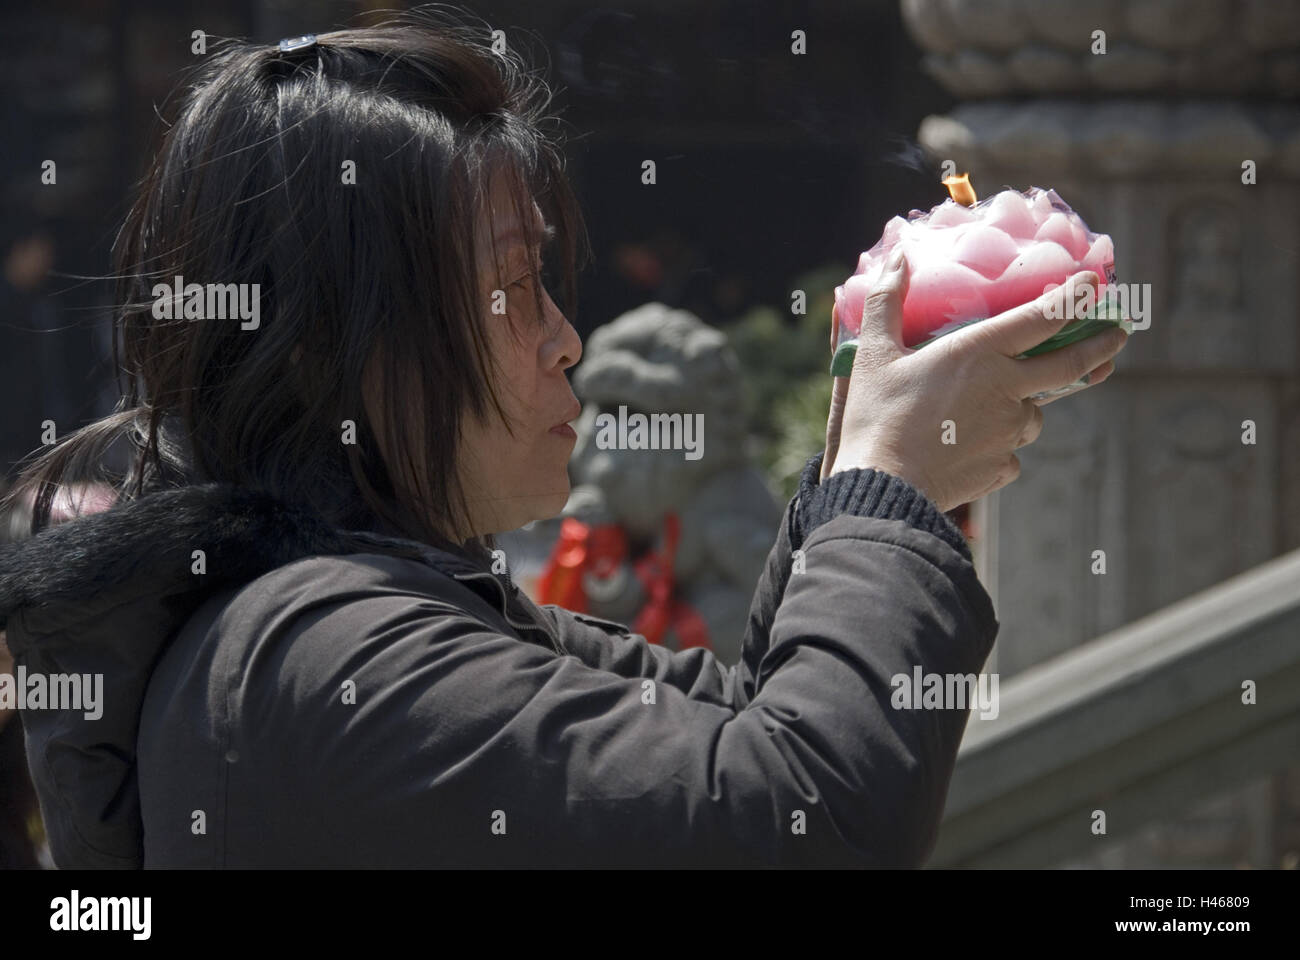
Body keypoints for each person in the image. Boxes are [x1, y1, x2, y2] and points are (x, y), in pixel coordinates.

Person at [0, 8, 1128, 868]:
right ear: (332, 345)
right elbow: (805, 816)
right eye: (512, 288)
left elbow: (731, 734)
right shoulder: (328, 661)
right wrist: (890, 485)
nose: (564, 342)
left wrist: (859, 467)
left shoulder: (367, 611)